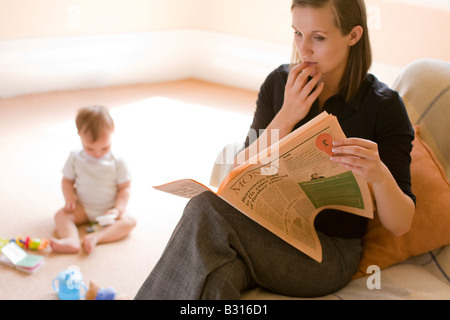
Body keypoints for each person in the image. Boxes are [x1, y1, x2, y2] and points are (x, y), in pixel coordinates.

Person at [135, 0, 416, 299]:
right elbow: (235, 174)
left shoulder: (384, 107)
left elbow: (400, 225)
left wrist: (380, 176)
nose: (303, 49)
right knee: (215, 282)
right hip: (264, 232)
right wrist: (287, 115)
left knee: (205, 208)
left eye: (318, 37)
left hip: (328, 254)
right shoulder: (278, 83)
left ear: (354, 35)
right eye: (297, 33)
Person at [50, 105, 136, 254]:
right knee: (60, 216)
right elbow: (67, 181)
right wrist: (70, 199)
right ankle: (71, 240)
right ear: (79, 135)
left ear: (112, 132)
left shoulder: (118, 161)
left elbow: (125, 188)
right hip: (83, 208)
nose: (97, 153)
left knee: (130, 222)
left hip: (109, 211)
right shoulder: (75, 157)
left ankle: (97, 237)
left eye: (104, 148)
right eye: (90, 148)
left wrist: (118, 209)